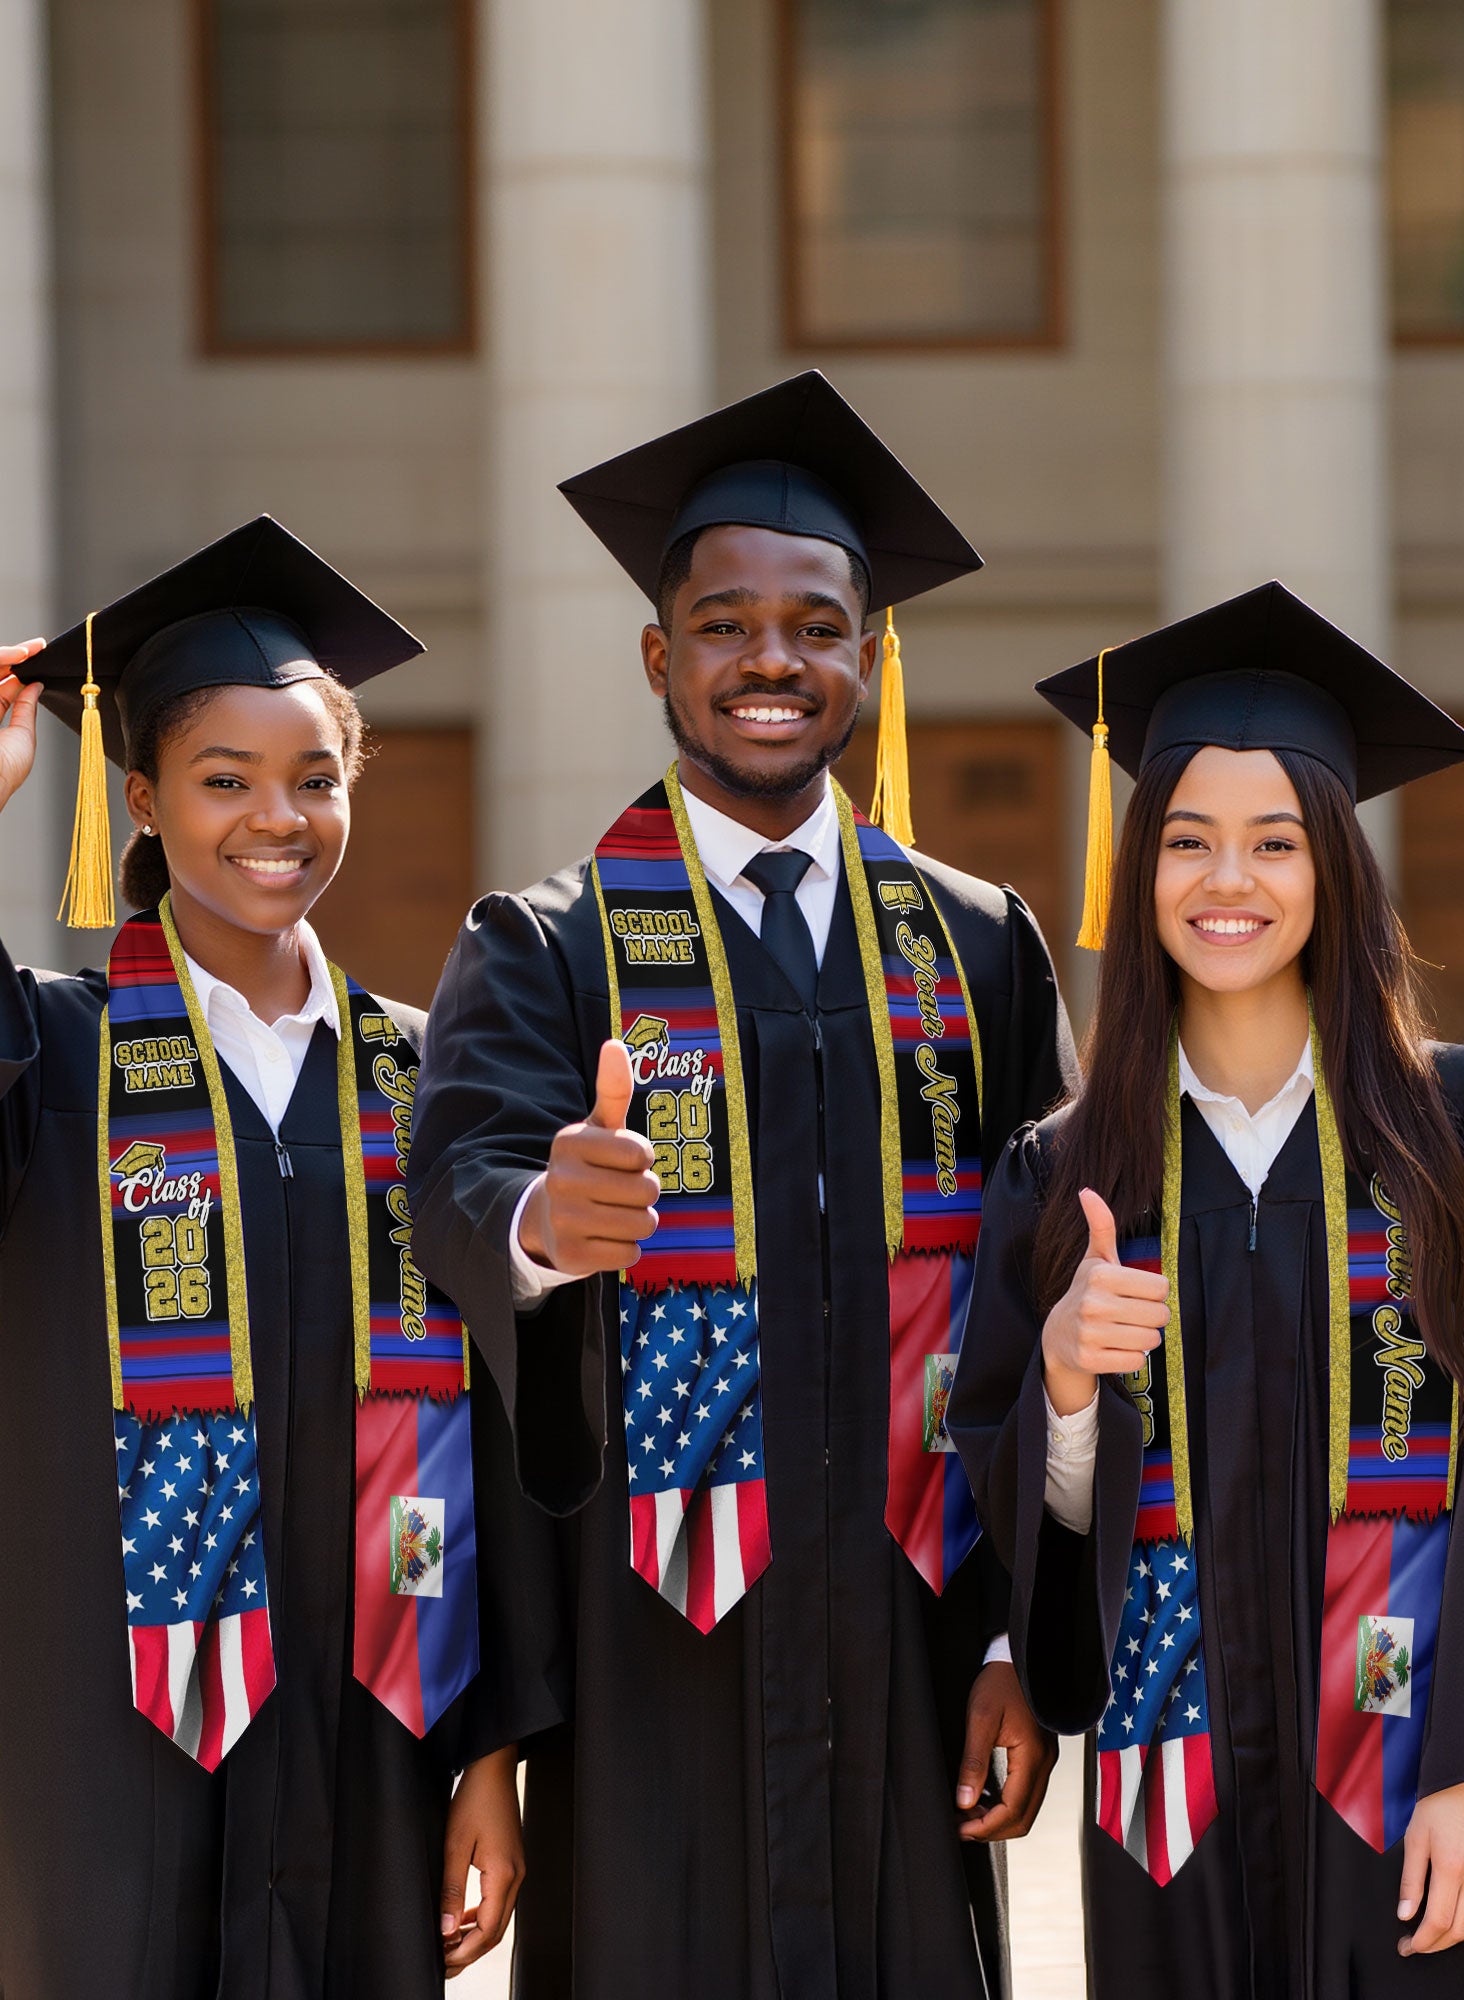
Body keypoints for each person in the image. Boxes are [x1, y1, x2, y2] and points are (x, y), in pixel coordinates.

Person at [407, 371, 1076, 1997]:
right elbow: (456, 1184)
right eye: (722, 624)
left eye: (815, 624)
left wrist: (1016, 1642)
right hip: (653, 1656)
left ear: (870, 656)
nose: (770, 661)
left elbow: (1051, 1292)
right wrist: (542, 1225)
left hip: (916, 1634)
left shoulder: (977, 942)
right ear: (660, 656)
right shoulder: (548, 946)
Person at [950, 582, 1464, 1997]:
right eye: (1189, 842)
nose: (1230, 883)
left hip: (1413, 1779)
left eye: (1274, 843)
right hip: (1174, 1789)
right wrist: (1070, 1390)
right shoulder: (1068, 1167)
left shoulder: (1461, 1127)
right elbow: (1021, 1515)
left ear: (1333, 867)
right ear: (1138, 871)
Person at [0, 516, 557, 1999]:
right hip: (100, 1735)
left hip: (369, 1719)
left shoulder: (427, 1080)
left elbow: (500, 1433)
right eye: (224, 781)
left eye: (315, 780)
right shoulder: (52, 1057)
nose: (276, 818)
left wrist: (490, 1758)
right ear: (139, 797)